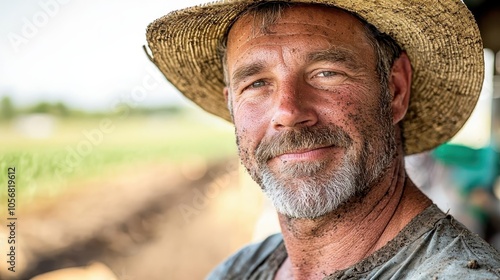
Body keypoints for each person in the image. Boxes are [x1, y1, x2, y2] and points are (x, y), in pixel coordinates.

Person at [145, 0, 500, 279]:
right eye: (256, 84)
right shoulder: (237, 271)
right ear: (231, 105)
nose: (288, 111)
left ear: (395, 90)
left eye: (326, 73)